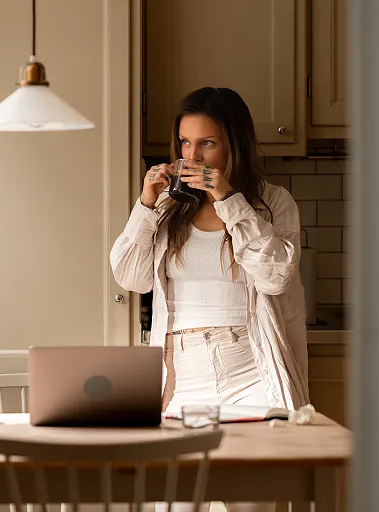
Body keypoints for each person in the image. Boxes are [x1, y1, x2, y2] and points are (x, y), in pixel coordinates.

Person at [110, 87, 310, 512]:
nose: (193, 155)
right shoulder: (168, 208)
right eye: (185, 142)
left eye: (207, 143)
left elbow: (275, 278)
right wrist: (146, 204)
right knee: (176, 502)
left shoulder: (272, 204)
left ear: (232, 143)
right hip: (184, 375)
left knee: (251, 502)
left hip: (250, 371)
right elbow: (131, 276)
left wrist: (229, 201)